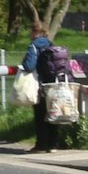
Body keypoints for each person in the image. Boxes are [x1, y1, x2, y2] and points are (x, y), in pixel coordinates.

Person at [23, 21, 60, 152]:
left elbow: (29, 66)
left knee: (40, 115)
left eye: (31, 31)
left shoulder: (34, 46)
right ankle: (53, 145)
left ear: (35, 32)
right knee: (53, 113)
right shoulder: (50, 44)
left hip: (40, 84)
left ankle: (41, 145)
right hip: (54, 84)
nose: (30, 34)